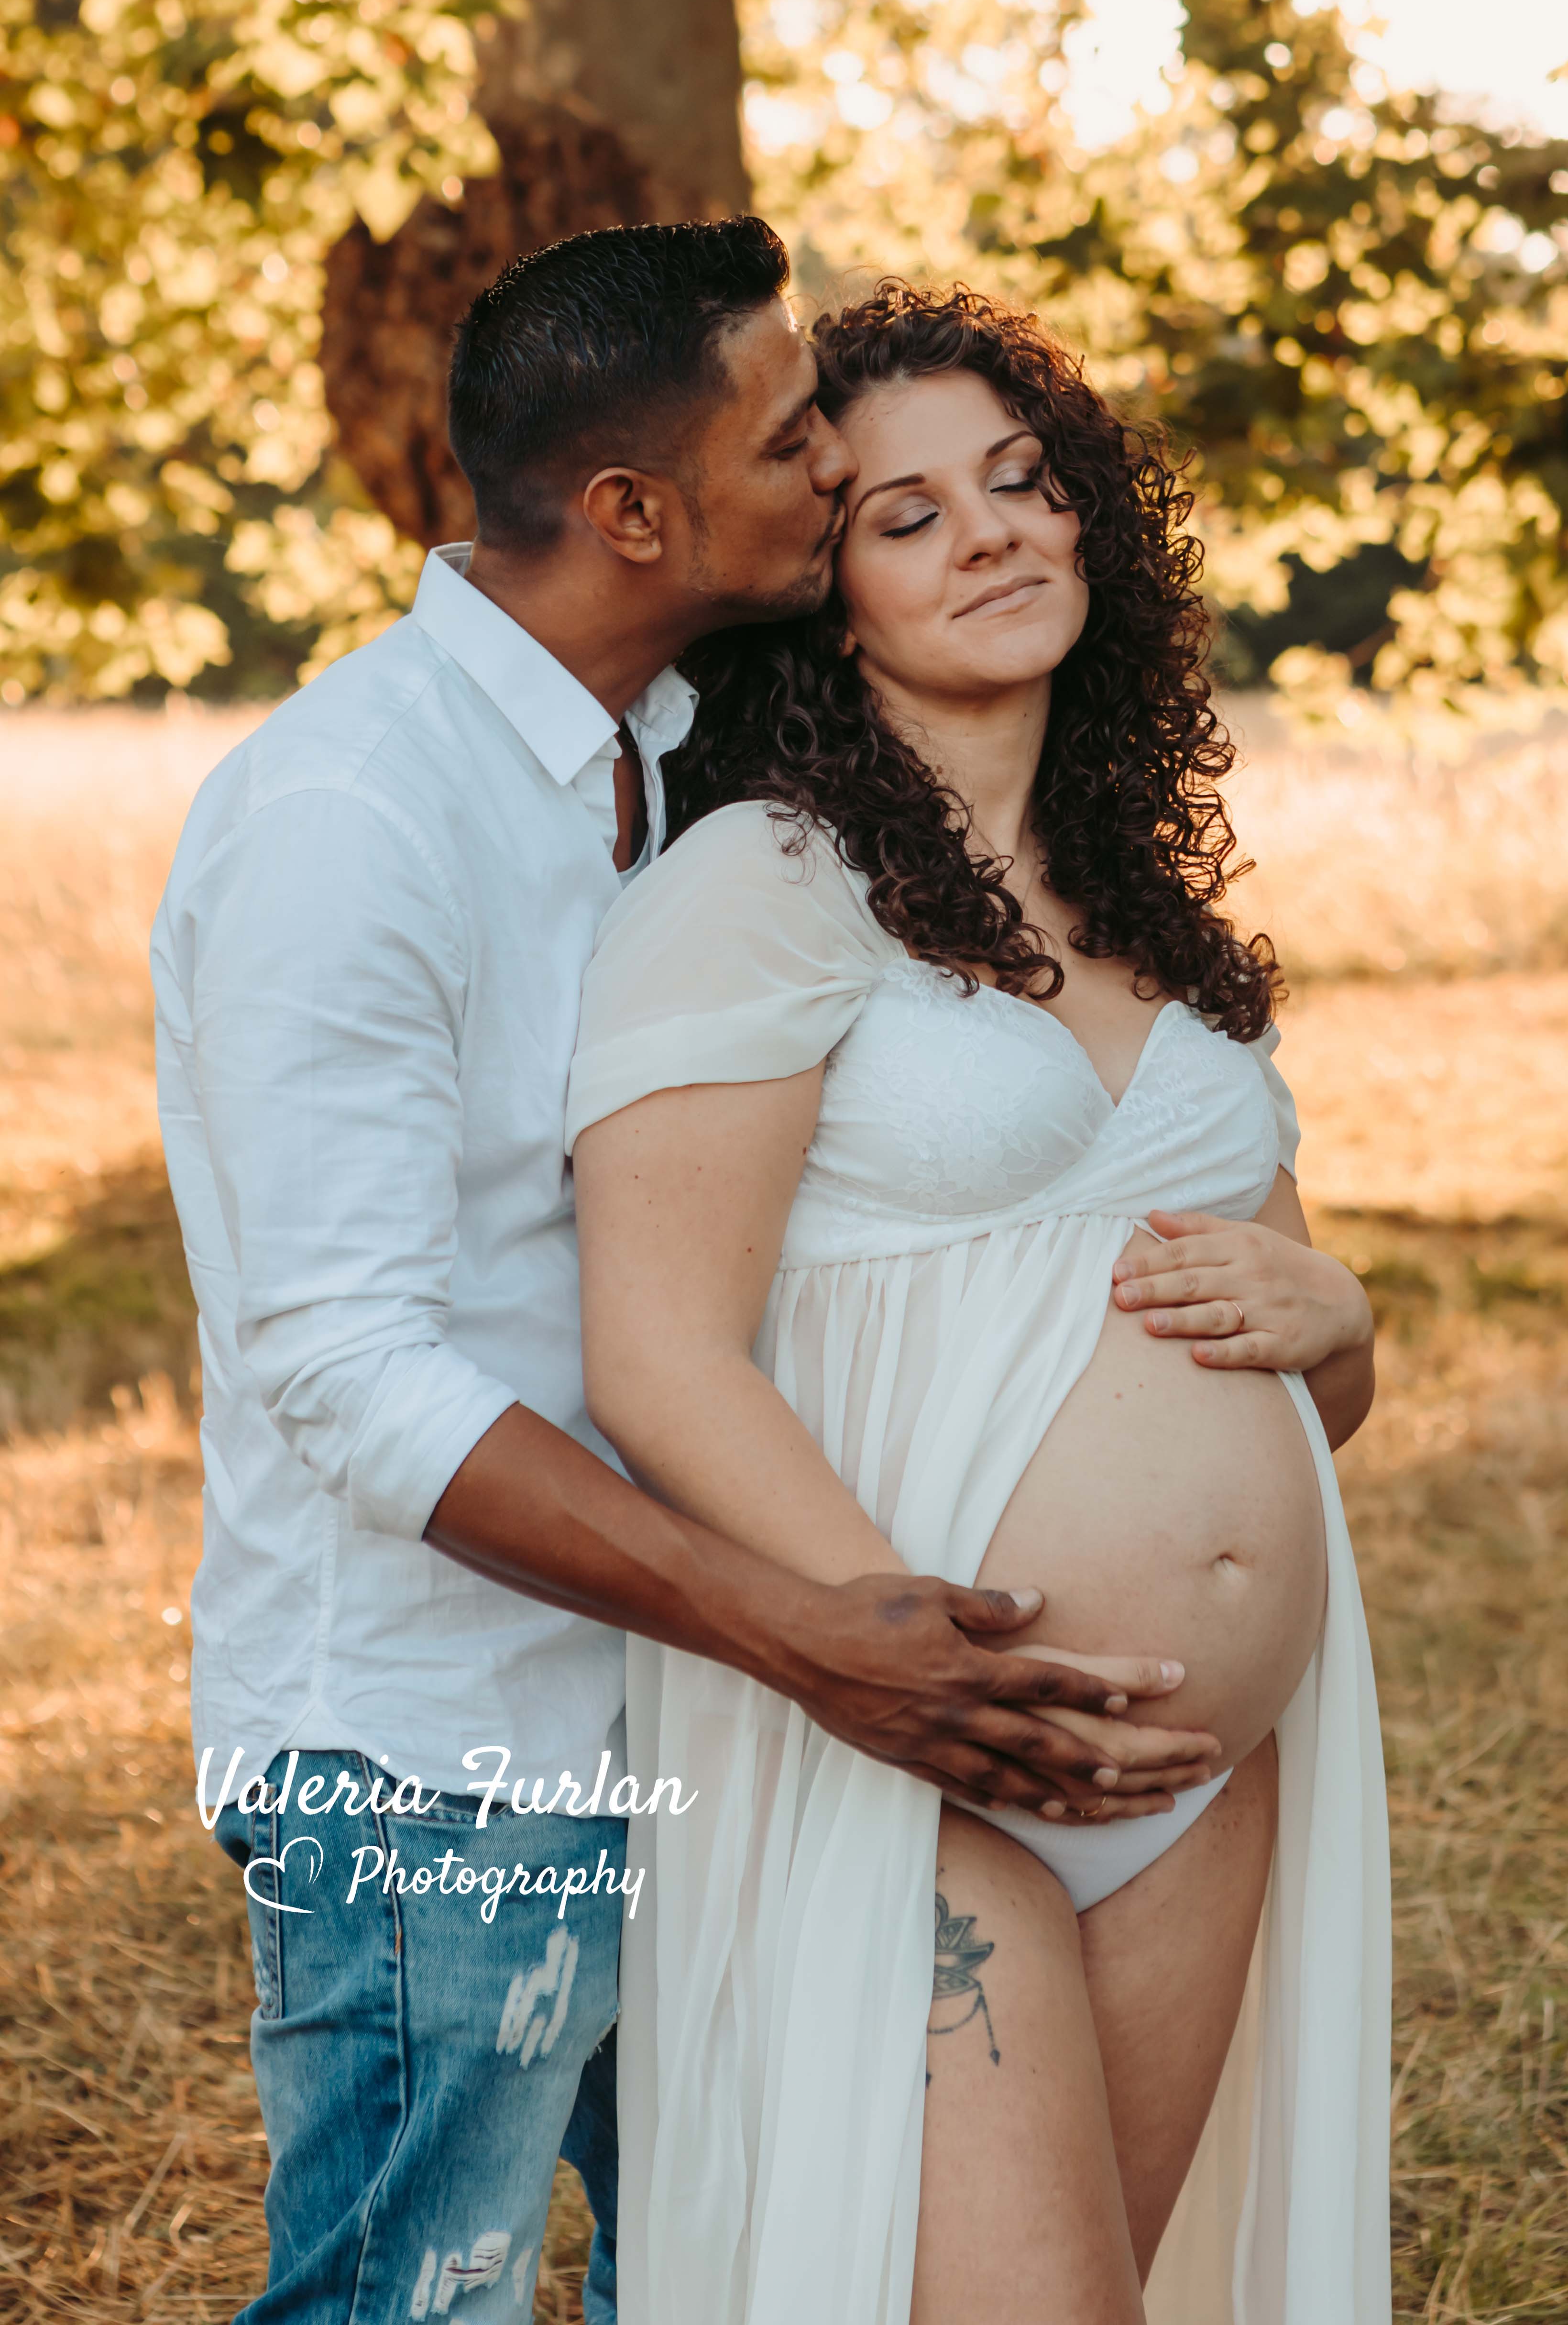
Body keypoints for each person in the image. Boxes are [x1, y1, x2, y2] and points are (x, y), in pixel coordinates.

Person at [151, 221, 1352, 2324]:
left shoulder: (674, 749)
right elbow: (345, 1367)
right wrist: (819, 1634)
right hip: (458, 1736)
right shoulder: (356, 812)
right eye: (812, 447)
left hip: (731, 1679)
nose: (839, 477)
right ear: (635, 507)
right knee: (400, 2304)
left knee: (716, 2278)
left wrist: (1333, 1333)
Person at [566, 279, 1390, 2325]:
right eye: (909, 514)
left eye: (1021, 485)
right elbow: (654, 1353)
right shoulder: (761, 884)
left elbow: (1295, 1361)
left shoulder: (1151, 917)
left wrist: (1340, 1314)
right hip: (905, 1759)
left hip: (1200, 1776)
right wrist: (907, 1661)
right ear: (824, 593)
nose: (996, 533)